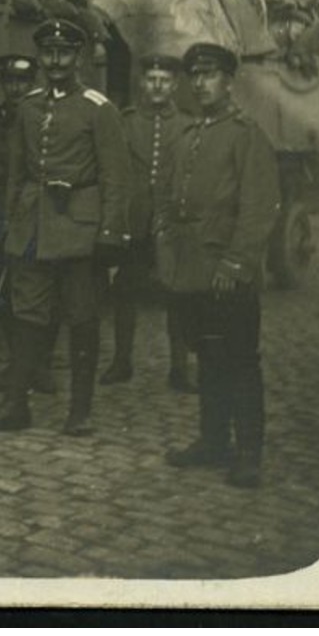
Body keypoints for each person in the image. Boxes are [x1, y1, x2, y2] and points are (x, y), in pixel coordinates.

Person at [0, 19, 132, 435]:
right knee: (27, 314)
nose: (55, 61)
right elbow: (17, 173)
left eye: (64, 53)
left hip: (79, 227)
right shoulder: (29, 105)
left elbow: (116, 177)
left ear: (77, 57)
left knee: (81, 317)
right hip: (33, 227)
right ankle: (14, 405)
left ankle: (80, 411)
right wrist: (12, 223)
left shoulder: (99, 108)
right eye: (48, 53)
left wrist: (111, 235)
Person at [158, 43, 280, 488]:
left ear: (229, 81)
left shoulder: (246, 134)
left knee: (241, 361)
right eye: (194, 75)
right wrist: (167, 251)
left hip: (228, 273)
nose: (200, 83)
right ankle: (213, 441)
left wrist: (235, 263)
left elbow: (259, 208)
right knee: (208, 357)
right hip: (192, 271)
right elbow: (170, 202)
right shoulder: (188, 135)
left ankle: (248, 453)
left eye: (209, 75)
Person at [103, 53, 194, 391]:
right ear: (142, 83)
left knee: (178, 294)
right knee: (125, 293)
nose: (157, 85)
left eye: (164, 80)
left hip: (171, 223)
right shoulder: (125, 122)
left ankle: (180, 369)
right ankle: (121, 362)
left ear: (174, 85)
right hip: (134, 220)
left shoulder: (186, 125)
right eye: (151, 79)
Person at [0, 54, 54, 395]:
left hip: (35, 218)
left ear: (32, 83)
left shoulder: (45, 119)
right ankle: (18, 362)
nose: (16, 88)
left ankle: (41, 365)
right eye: (10, 82)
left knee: (39, 295)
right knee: (2, 293)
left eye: (22, 82)